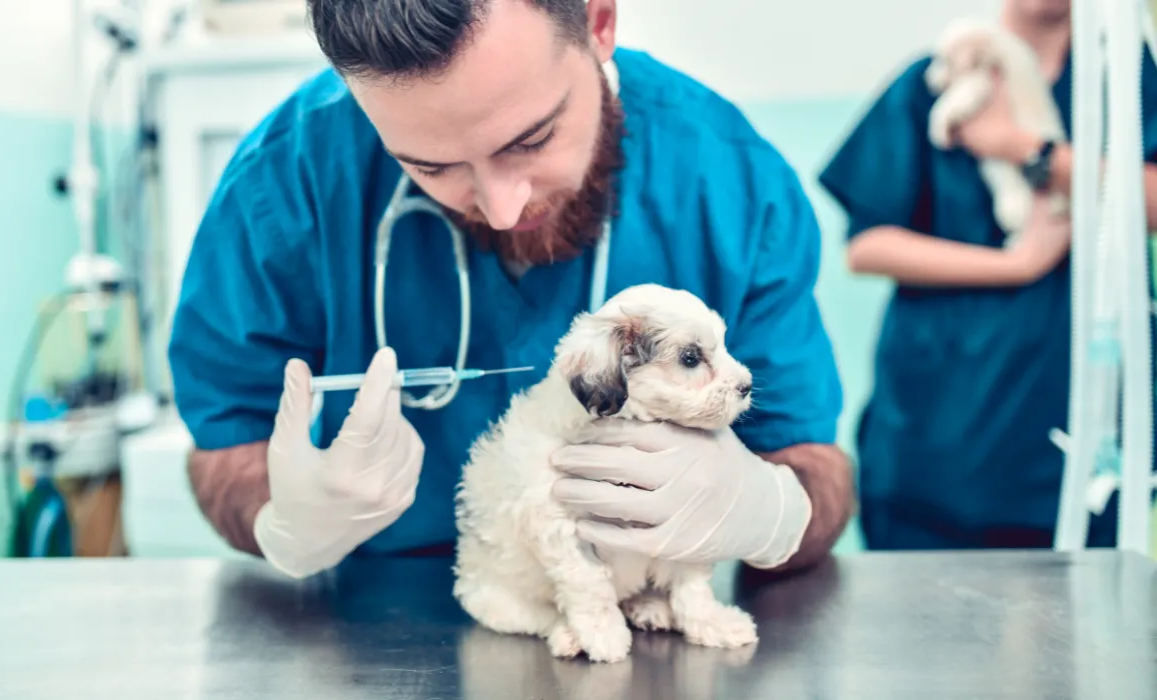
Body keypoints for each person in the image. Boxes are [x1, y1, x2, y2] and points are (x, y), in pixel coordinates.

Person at [168, 0, 853, 580]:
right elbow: (226, 444)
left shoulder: (730, 182)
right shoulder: (289, 180)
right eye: (431, 166)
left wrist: (768, 512)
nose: (500, 208)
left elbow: (814, 464)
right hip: (377, 629)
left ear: (599, 22)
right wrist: (279, 518)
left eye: (531, 140)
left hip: (630, 624)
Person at [818, 0, 1157, 550]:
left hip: (1075, 444)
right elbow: (867, 246)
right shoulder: (933, 82)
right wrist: (1015, 265)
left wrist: (1020, 146)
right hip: (938, 440)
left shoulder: (1123, 84)